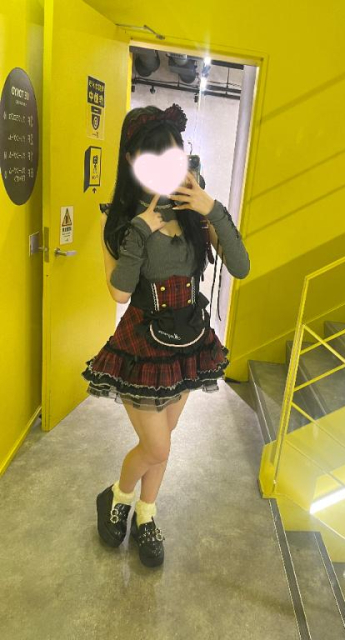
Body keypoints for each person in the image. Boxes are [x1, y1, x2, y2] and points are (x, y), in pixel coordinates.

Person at [81, 103, 250, 568]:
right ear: (131, 159)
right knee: (156, 445)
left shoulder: (194, 212)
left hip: (189, 341)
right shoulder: (118, 219)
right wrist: (140, 230)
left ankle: (147, 514)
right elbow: (119, 292)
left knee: (166, 439)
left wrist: (211, 209)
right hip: (141, 345)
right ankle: (117, 496)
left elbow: (241, 266)